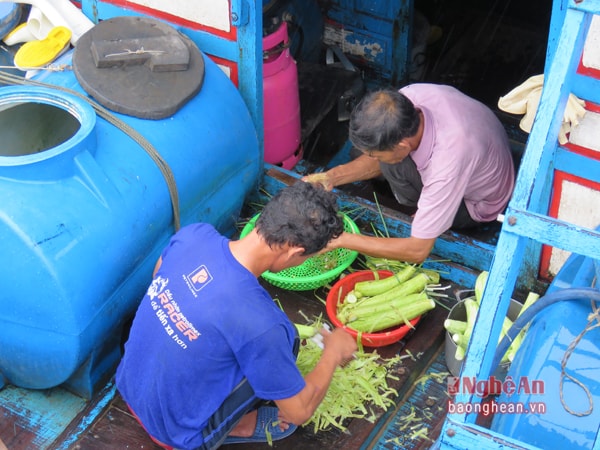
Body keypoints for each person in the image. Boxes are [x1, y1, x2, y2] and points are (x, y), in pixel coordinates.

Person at [116, 181, 358, 450]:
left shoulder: (195, 235)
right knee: (286, 343)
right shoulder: (264, 325)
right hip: (174, 435)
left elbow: (158, 275)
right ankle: (237, 426)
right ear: (295, 252)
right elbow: (299, 412)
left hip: (129, 385)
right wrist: (333, 352)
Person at [303, 84, 515, 264]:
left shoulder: (447, 161)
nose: (370, 156)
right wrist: (331, 177)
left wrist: (338, 239)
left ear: (403, 145)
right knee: (367, 154)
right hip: (480, 152)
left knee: (390, 165)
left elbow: (418, 250)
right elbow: (378, 155)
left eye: (374, 154)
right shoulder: (406, 99)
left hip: (478, 203)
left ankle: (423, 212)